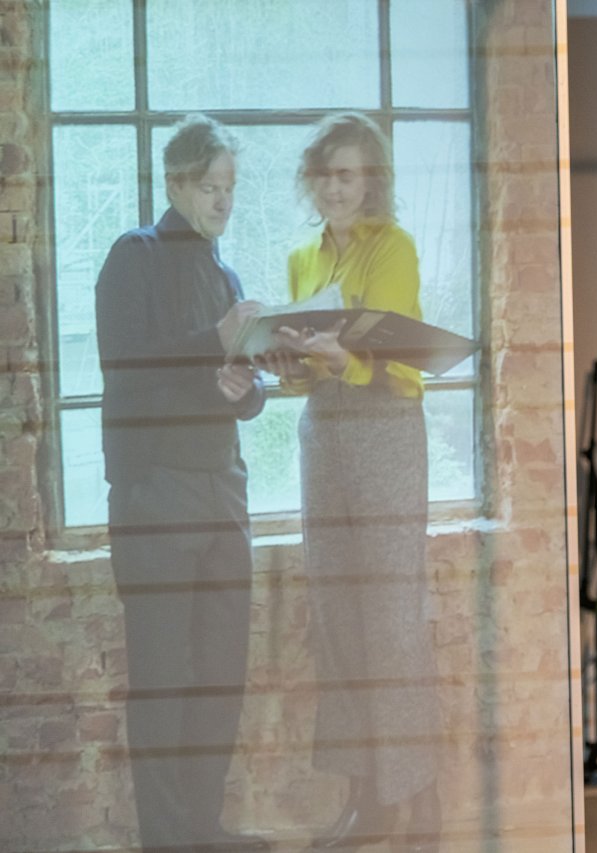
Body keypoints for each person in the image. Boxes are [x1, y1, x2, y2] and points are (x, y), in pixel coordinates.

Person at [257, 112, 435, 851]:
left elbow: (403, 360)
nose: (335, 188)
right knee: (337, 619)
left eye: (349, 175)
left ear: (371, 182)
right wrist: (288, 365)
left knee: (392, 623)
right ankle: (366, 799)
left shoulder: (393, 246)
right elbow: (310, 365)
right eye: (326, 174)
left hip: (386, 434)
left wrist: (345, 362)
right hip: (324, 437)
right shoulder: (302, 257)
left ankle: (418, 799)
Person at [96, 114, 268, 851]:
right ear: (173, 182)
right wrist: (215, 344)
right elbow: (124, 370)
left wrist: (247, 385)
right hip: (156, 495)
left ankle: (204, 828)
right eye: (208, 186)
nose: (223, 199)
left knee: (222, 674)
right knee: (164, 679)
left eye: (230, 186)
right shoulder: (132, 256)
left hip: (223, 493)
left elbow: (245, 391)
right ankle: (166, 841)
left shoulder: (226, 275)